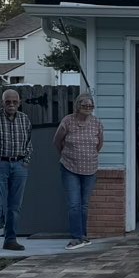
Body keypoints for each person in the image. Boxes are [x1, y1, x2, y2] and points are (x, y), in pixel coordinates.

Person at [0, 89, 32, 254]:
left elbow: (29, 143)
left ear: (19, 102)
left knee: (15, 207)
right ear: (2, 102)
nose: (11, 105)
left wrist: (26, 161)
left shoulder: (24, 119)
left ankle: (10, 240)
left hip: (19, 166)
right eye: (8, 102)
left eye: (14, 102)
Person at [53, 93, 105, 247]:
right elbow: (57, 141)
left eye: (90, 106)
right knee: (74, 204)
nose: (87, 108)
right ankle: (76, 237)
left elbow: (99, 144)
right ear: (77, 106)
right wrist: (66, 154)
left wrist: (89, 156)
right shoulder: (67, 121)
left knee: (84, 204)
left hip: (90, 169)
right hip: (70, 167)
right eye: (84, 105)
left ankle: (83, 235)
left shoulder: (96, 123)